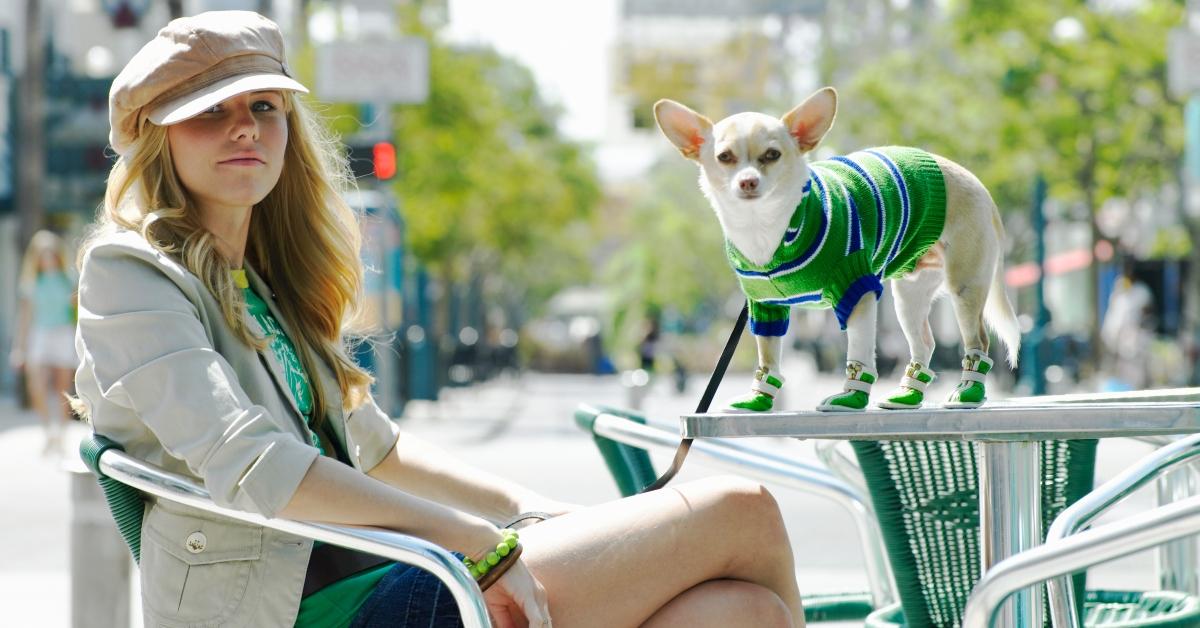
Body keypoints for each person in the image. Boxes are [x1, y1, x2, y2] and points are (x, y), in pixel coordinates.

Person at [73, 11, 805, 628]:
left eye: (264, 107)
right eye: (210, 112)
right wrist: (473, 538)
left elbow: (377, 449)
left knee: (742, 612)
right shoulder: (130, 273)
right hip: (300, 610)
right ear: (155, 137)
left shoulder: (261, 277)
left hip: (390, 574)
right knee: (742, 509)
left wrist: (529, 509)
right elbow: (253, 463)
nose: (245, 129)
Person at [11, 229, 78, 456]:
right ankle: (48, 430)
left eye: (50, 254)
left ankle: (62, 434)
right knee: (37, 384)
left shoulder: (68, 280)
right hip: (40, 334)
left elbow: (77, 313)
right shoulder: (31, 283)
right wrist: (18, 348)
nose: (47, 259)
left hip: (64, 334)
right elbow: (25, 318)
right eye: (43, 255)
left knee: (63, 388)